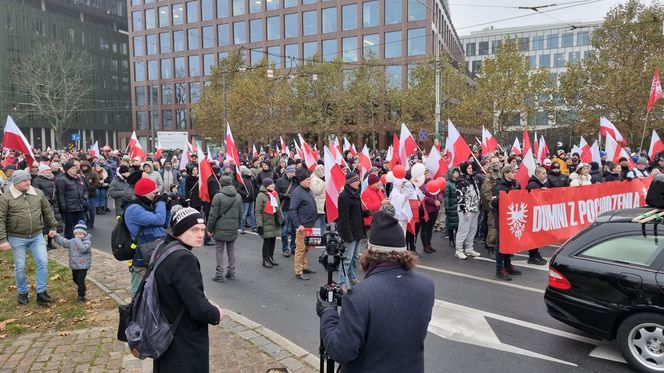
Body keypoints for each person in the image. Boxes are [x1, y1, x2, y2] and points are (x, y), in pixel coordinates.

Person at [317, 207, 435, 373]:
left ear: (370, 252)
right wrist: (347, 301)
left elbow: (341, 351)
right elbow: (392, 314)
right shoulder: (426, 285)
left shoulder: (360, 295)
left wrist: (328, 313)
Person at [153, 206, 223, 373]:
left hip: (166, 330)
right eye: (194, 229)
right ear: (180, 229)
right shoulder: (183, 258)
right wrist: (215, 313)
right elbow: (199, 309)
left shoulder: (164, 247)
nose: (200, 234)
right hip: (183, 339)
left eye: (203, 230)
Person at [0, 170, 58, 305]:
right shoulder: (6, 198)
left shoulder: (37, 193)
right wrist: (2, 240)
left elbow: (47, 211)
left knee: (43, 262)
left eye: (28, 180)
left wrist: (53, 227)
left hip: (37, 235)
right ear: (15, 183)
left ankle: (41, 292)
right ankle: (22, 293)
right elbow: (0, 219)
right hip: (17, 237)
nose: (27, 182)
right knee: (20, 266)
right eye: (23, 181)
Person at [124, 178, 169, 296]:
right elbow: (158, 219)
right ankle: (134, 313)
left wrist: (167, 207)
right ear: (145, 194)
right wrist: (161, 203)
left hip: (152, 253)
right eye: (155, 193)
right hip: (140, 257)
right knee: (139, 291)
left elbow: (164, 224)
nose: (157, 195)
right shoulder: (134, 209)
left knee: (155, 291)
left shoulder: (146, 204)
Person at [207, 176, 242, 282]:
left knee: (219, 250)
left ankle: (219, 274)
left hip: (220, 226)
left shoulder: (218, 196)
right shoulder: (238, 196)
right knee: (231, 249)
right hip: (233, 226)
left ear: (221, 184)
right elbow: (240, 214)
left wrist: (209, 228)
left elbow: (213, 215)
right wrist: (237, 225)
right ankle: (231, 272)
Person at [336, 171, 365, 292]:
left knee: (354, 258)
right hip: (349, 233)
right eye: (357, 180)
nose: (359, 182)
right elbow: (344, 218)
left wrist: (366, 213)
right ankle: (341, 281)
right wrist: (348, 236)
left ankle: (352, 277)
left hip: (357, 230)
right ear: (351, 182)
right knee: (347, 259)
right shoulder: (343, 196)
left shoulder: (356, 194)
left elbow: (356, 213)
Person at [492, 165, 522, 281]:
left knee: (509, 244)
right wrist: (504, 198)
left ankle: (508, 265)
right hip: (502, 219)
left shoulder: (513, 185)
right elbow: (494, 203)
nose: (515, 174)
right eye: (513, 172)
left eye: (515, 171)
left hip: (511, 219)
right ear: (506, 174)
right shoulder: (500, 186)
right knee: (501, 246)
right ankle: (499, 269)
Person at [289, 168, 317, 280]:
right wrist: (298, 225)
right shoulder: (297, 193)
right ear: (301, 181)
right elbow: (292, 210)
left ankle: (304, 267)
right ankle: (298, 271)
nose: (309, 181)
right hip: (302, 226)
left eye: (309, 179)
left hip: (310, 225)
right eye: (307, 180)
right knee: (300, 249)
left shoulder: (308, 190)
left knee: (306, 248)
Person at [53, 220, 91, 303]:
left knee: (81, 281)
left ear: (85, 234)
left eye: (80, 234)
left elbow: (83, 249)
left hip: (83, 265)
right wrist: (56, 236)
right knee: (75, 278)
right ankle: (83, 288)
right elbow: (64, 242)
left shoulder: (87, 242)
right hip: (74, 265)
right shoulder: (72, 241)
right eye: (76, 234)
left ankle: (81, 296)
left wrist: (77, 240)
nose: (78, 236)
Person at [454, 161, 481, 259]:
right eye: (469, 168)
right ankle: (459, 250)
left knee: (473, 229)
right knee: (463, 230)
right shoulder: (461, 181)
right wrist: (464, 209)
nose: (471, 169)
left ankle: (469, 248)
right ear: (464, 169)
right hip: (466, 210)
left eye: (471, 168)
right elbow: (460, 196)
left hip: (475, 208)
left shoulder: (472, 178)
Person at [32, 164, 62, 250]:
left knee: (51, 223)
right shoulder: (37, 180)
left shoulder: (52, 179)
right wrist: (47, 199)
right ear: (42, 172)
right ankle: (41, 244)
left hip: (53, 204)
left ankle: (49, 243)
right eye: (46, 170)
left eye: (49, 170)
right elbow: (37, 193)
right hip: (42, 205)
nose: (49, 171)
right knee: (43, 225)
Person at [255, 178, 283, 268]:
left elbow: (278, 208)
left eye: (273, 184)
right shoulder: (261, 195)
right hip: (266, 221)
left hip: (274, 221)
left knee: (273, 240)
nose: (273, 185)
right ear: (267, 186)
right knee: (267, 241)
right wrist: (259, 225)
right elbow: (258, 212)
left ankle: (271, 257)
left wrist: (282, 219)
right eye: (271, 184)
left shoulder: (275, 194)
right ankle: (265, 259)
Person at [57, 161, 88, 239]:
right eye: (72, 168)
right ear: (67, 170)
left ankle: (79, 239)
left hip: (80, 206)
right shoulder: (62, 180)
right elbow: (61, 194)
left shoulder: (79, 178)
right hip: (69, 207)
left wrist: (85, 199)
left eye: (75, 168)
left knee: (79, 225)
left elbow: (84, 189)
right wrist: (63, 206)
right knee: (69, 226)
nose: (75, 169)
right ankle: (69, 240)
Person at [525, 167, 549, 265]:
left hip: (538, 212)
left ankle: (536, 254)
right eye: (543, 173)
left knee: (537, 236)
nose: (545, 175)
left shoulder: (541, 184)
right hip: (532, 213)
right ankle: (532, 256)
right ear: (537, 174)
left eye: (545, 173)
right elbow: (530, 198)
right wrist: (540, 191)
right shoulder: (532, 185)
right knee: (533, 236)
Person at [481, 156, 501, 259]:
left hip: (502, 203)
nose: (496, 164)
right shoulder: (488, 176)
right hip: (493, 205)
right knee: (492, 227)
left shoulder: (502, 173)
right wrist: (491, 203)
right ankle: (491, 248)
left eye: (497, 162)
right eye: (493, 162)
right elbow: (487, 191)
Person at [276, 165, 297, 257]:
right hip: (284, 208)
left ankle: (293, 247)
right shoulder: (280, 181)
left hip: (294, 209)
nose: (293, 174)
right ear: (287, 172)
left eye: (294, 172)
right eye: (291, 172)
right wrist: (285, 195)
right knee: (284, 231)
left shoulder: (296, 181)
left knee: (294, 230)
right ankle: (285, 249)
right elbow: (276, 194)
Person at [420, 171, 443, 254]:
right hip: (427, 210)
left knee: (430, 228)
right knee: (425, 228)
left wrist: (439, 200)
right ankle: (425, 246)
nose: (428, 174)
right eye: (425, 173)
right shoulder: (422, 185)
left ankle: (429, 244)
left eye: (428, 173)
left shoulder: (433, 182)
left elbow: (440, 192)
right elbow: (424, 197)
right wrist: (434, 202)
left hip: (435, 209)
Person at [80, 161, 101, 229]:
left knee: (92, 209)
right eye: (82, 167)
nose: (84, 168)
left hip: (91, 193)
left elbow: (97, 183)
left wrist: (91, 187)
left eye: (85, 166)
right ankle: (86, 221)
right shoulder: (79, 173)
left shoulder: (93, 173)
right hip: (83, 195)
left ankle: (91, 223)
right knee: (84, 209)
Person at [238, 166, 257, 234]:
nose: (250, 173)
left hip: (252, 199)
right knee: (244, 213)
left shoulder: (251, 180)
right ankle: (242, 227)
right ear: (246, 173)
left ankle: (253, 226)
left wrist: (254, 179)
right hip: (246, 199)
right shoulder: (242, 180)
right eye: (249, 172)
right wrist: (245, 194)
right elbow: (238, 189)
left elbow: (254, 187)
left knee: (252, 213)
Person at [444, 168, 459, 249]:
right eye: (455, 172)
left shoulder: (459, 182)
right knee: (451, 225)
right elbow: (446, 196)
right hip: (451, 207)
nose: (456, 174)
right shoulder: (448, 184)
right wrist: (447, 207)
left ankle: (457, 240)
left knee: (458, 225)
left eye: (457, 172)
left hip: (458, 206)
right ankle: (451, 240)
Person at [310, 164, 326, 232]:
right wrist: (323, 183)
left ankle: (321, 239)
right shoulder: (314, 179)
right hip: (318, 205)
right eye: (321, 169)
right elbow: (316, 191)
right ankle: (320, 239)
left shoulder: (318, 179)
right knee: (319, 225)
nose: (322, 171)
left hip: (321, 205)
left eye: (323, 169)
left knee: (322, 223)